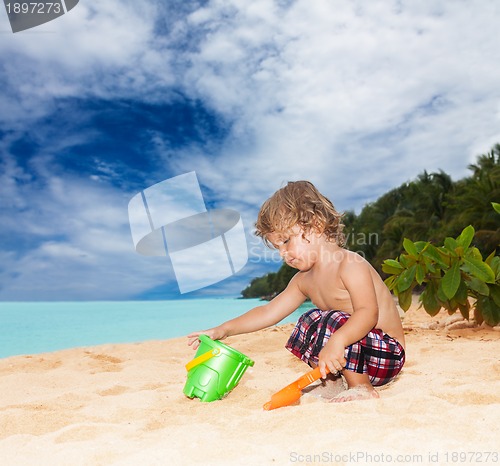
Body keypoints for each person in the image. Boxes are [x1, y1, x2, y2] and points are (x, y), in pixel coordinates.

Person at [187, 181, 406, 402]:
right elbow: (268, 312)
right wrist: (223, 330)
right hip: (349, 355)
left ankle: (361, 387)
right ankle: (333, 382)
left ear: (317, 225)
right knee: (309, 320)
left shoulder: (349, 264)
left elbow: (368, 313)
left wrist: (338, 341)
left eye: (286, 241)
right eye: (277, 247)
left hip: (386, 356)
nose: (283, 253)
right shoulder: (303, 280)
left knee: (333, 320)